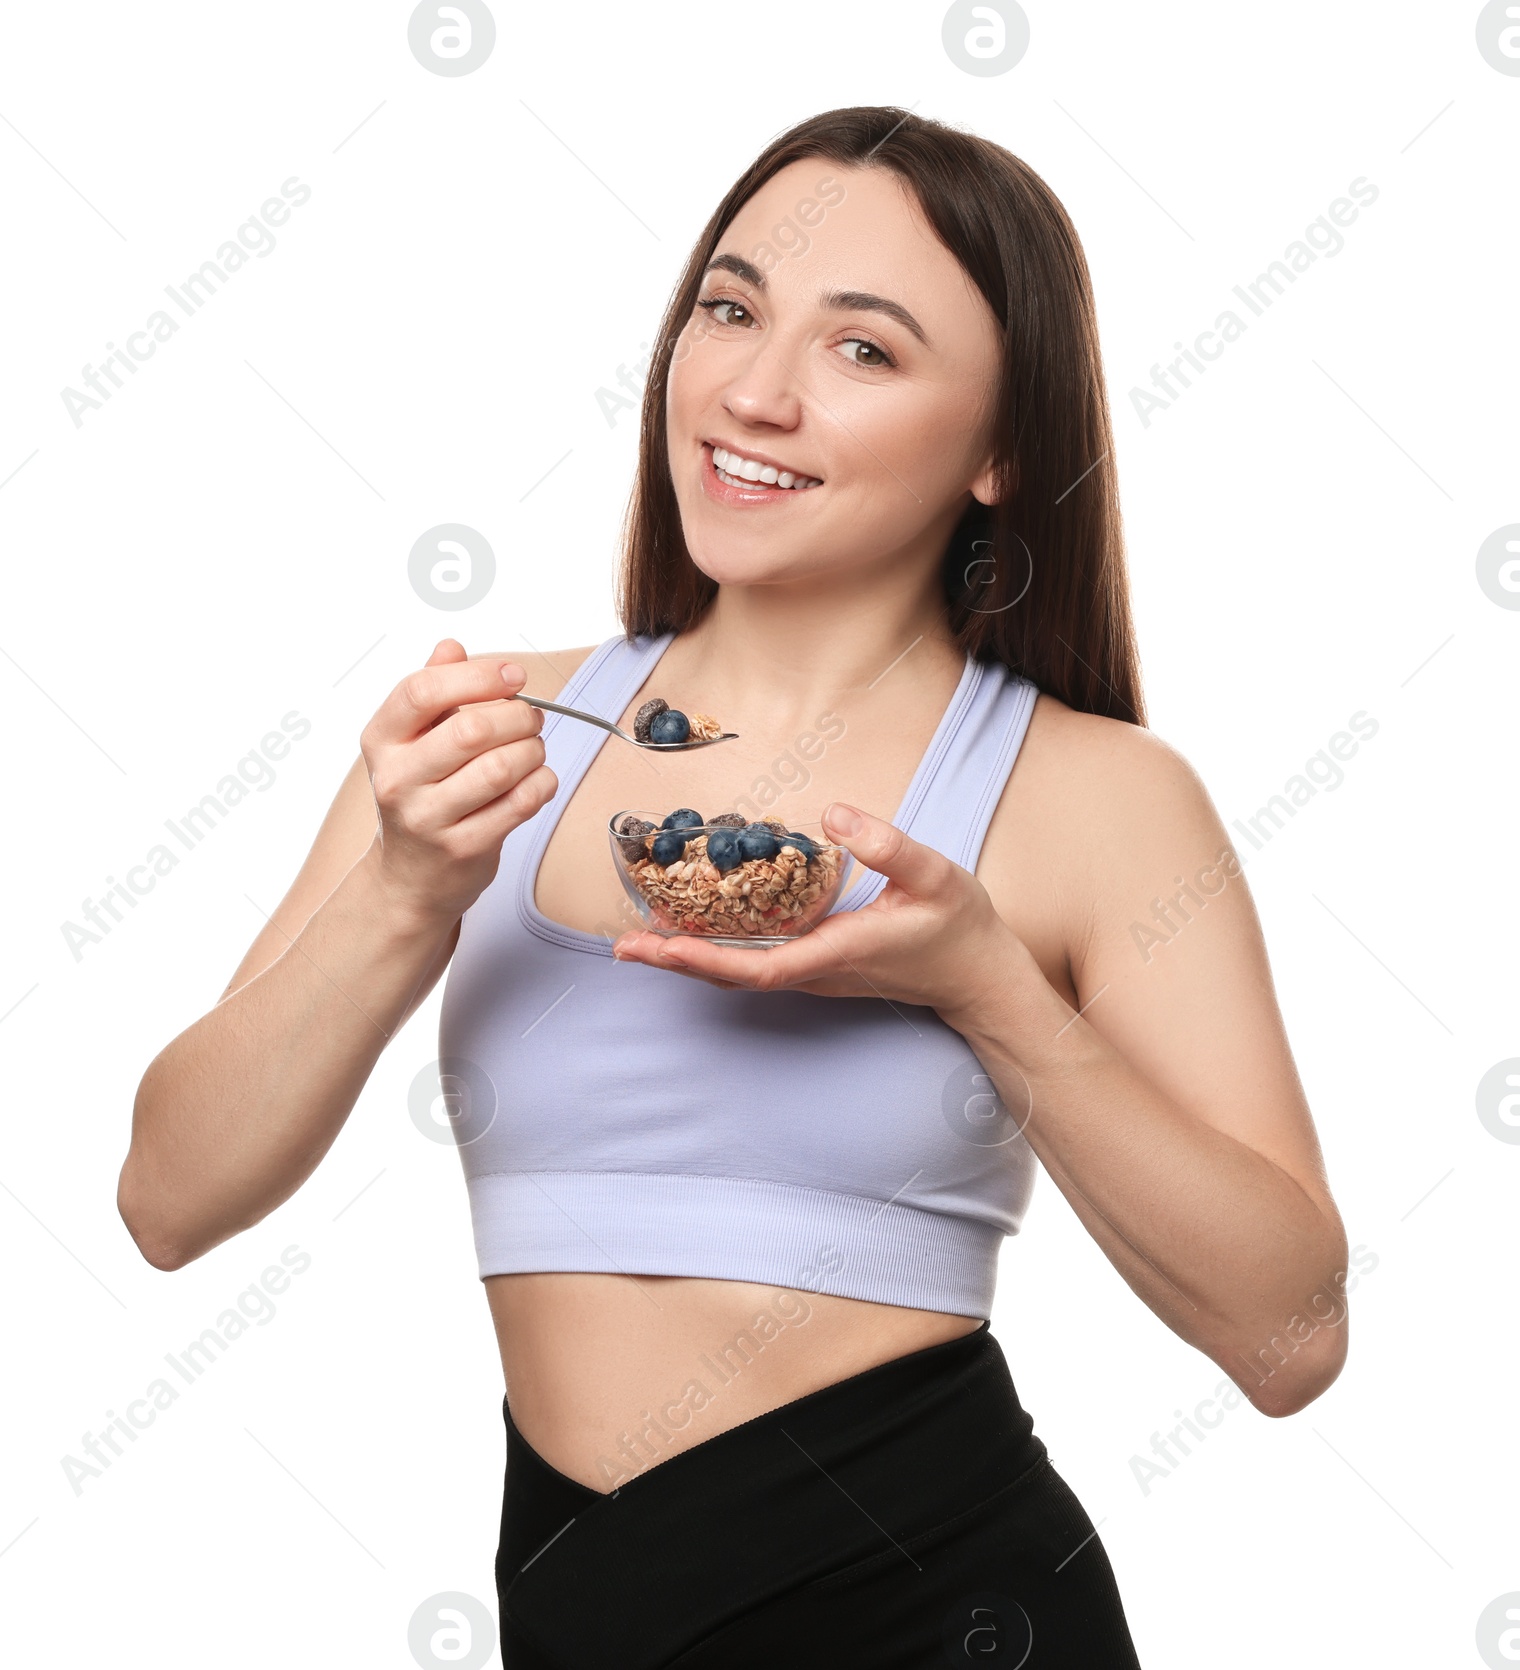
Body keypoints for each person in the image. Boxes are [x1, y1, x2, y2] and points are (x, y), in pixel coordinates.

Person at [119, 107, 1350, 1668]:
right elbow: (167, 1198)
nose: (754, 390)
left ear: (1002, 451)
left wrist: (982, 984)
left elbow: (1293, 1334)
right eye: (731, 305)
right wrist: (406, 891)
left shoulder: (1094, 795)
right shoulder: (500, 731)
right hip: (582, 1613)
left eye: (864, 351)